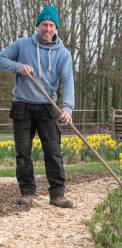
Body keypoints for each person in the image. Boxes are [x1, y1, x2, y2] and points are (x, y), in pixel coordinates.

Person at [0, 6, 74, 208]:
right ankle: (27, 192)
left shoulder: (63, 54)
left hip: (47, 107)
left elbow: (68, 83)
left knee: (53, 151)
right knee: (23, 152)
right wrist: (17, 66)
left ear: (56, 28)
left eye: (51, 25)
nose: (47, 28)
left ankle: (57, 195)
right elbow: (1, 58)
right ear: (37, 25)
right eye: (44, 24)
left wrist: (67, 108)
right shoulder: (22, 45)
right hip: (22, 105)